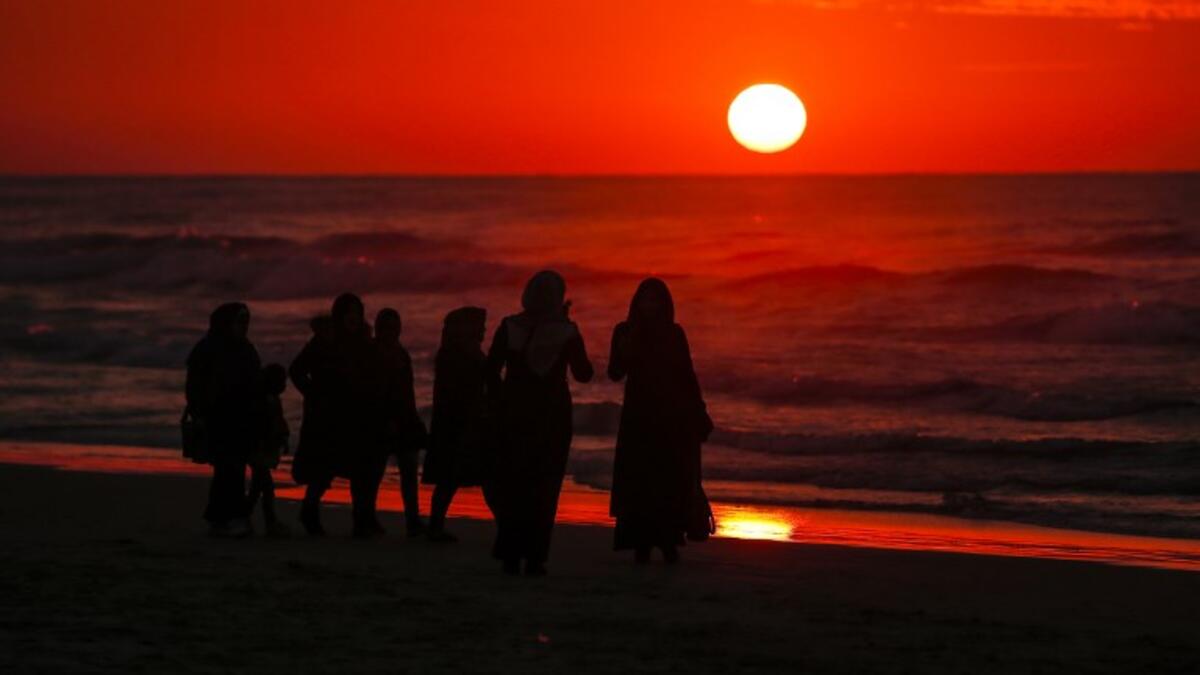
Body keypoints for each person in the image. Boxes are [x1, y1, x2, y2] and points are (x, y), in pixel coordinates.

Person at [487, 271, 593, 576]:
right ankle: (535, 558)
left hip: (513, 412)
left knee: (513, 485)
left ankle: (510, 554)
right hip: (552, 416)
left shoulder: (510, 326)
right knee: (544, 487)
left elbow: (492, 370)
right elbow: (584, 373)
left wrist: (496, 404)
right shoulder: (567, 331)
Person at [607, 278, 712, 564]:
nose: (650, 305)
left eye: (656, 300)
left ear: (665, 304)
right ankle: (641, 543)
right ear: (637, 302)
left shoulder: (675, 333)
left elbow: (687, 376)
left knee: (668, 480)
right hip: (638, 416)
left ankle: (668, 541)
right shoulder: (625, 330)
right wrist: (625, 349)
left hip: (671, 417)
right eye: (646, 299)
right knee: (639, 480)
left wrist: (699, 410)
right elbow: (614, 372)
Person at [185, 302, 261, 538]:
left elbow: (255, 384)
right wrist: (199, 415)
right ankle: (233, 518)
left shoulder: (246, 349)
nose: (244, 327)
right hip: (217, 419)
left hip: (242, 419)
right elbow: (194, 387)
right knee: (230, 469)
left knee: (230, 470)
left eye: (246, 322)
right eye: (240, 322)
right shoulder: (207, 349)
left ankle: (219, 518)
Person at [423, 306, 491, 543]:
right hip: (460, 422)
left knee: (452, 479)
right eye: (480, 324)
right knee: (455, 478)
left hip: (459, 421)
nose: (484, 329)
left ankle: (435, 525)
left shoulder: (458, 352)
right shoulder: (461, 354)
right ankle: (435, 526)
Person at [374, 307, 428, 537]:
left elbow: (408, 393)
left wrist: (413, 420)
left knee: (408, 471)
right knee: (374, 472)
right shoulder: (373, 354)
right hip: (381, 420)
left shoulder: (401, 353)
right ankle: (366, 516)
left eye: (395, 327)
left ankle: (413, 520)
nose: (392, 332)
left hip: (404, 418)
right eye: (387, 327)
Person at [289, 315, 337, 535]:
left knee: (328, 463)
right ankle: (310, 511)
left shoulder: (339, 345)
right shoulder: (316, 346)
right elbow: (296, 370)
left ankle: (310, 509)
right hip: (319, 413)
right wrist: (311, 392)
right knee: (321, 462)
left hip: (335, 411)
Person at [246, 363, 291, 537]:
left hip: (264, 449)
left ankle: (250, 517)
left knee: (259, 487)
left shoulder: (270, 399)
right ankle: (268, 522)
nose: (284, 386)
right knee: (264, 486)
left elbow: (279, 422)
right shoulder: (261, 400)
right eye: (282, 382)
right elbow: (262, 426)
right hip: (259, 450)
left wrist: (283, 438)